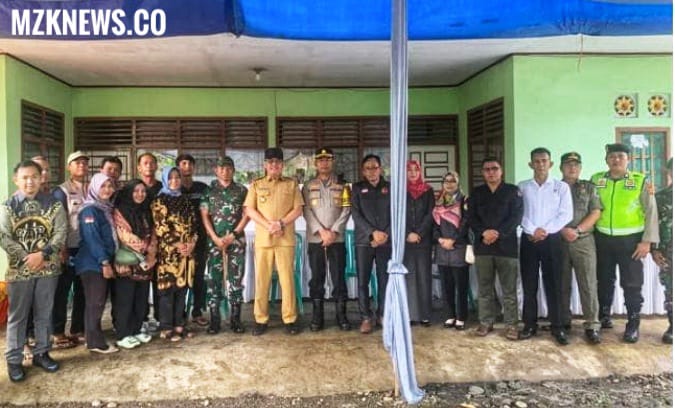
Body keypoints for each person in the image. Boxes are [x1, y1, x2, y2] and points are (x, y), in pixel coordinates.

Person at [0, 160, 67, 382]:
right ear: (16, 180)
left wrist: (43, 254)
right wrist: (27, 258)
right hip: (19, 271)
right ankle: (14, 360)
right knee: (17, 317)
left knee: (44, 313)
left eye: (34, 177)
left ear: (41, 178)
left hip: (48, 268)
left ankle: (42, 353)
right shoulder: (7, 207)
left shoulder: (54, 204)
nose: (30, 181)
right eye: (25, 177)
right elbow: (4, 237)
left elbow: (61, 232)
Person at [591, 143, 659, 343]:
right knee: (603, 280)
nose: (616, 160)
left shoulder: (639, 181)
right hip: (603, 239)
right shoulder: (597, 180)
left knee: (632, 284)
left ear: (628, 160)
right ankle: (604, 316)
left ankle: (633, 323)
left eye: (621, 156)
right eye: (612, 156)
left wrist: (647, 241)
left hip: (631, 241)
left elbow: (651, 211)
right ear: (606, 160)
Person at [244, 147, 304, 336]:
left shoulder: (291, 184)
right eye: (270, 162)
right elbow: (249, 210)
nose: (274, 165)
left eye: (277, 162)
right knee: (262, 281)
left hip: (285, 239)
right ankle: (260, 319)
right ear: (265, 165)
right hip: (264, 240)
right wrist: (268, 225)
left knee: (287, 281)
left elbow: (298, 209)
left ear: (282, 165)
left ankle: (290, 319)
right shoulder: (256, 185)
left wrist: (280, 223)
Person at [518, 147, 573, 345]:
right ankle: (529, 325)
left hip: (553, 240)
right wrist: (533, 230)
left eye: (544, 161)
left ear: (551, 164)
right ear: (530, 164)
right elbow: (519, 213)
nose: (540, 164)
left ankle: (557, 326)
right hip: (529, 239)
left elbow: (566, 214)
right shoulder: (522, 187)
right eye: (537, 161)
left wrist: (545, 231)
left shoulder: (561, 187)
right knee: (529, 284)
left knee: (554, 284)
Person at [467, 157, 523, 340]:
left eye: (494, 168)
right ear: (482, 173)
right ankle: (485, 322)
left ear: (501, 171)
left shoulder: (512, 191)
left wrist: (498, 233)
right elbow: (471, 217)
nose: (491, 172)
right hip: (483, 247)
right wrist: (484, 232)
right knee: (484, 289)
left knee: (509, 289)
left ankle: (511, 324)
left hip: (507, 247)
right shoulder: (477, 193)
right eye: (487, 169)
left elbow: (516, 217)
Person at [302, 148, 352, 331]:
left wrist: (334, 232)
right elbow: (306, 210)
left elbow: (347, 209)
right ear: (316, 163)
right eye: (321, 160)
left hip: (336, 239)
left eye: (328, 160)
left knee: (339, 277)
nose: (324, 163)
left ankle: (341, 315)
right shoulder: (308, 186)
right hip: (316, 239)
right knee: (317, 278)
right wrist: (321, 231)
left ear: (333, 162)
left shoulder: (343, 185)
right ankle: (317, 316)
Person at [200, 156, 249, 334]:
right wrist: (214, 237)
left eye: (228, 168)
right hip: (215, 242)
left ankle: (235, 319)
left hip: (236, 241)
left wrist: (233, 234)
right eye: (221, 168)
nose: (225, 171)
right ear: (216, 170)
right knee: (214, 280)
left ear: (233, 170)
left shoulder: (242, 190)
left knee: (236, 279)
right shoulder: (208, 191)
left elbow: (247, 214)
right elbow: (205, 216)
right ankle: (215, 320)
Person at [558, 152, 603, 344]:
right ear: (561, 168)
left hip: (583, 240)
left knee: (588, 284)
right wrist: (562, 230)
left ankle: (592, 325)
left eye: (576, 165)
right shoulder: (554, 188)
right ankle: (562, 322)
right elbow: (547, 213)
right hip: (559, 240)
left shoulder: (589, 187)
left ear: (581, 167)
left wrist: (577, 230)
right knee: (561, 284)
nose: (572, 168)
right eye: (568, 164)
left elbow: (595, 212)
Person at [151, 167, 198, 341]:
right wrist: (179, 245)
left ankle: (179, 324)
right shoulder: (159, 201)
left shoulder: (185, 200)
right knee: (167, 290)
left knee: (182, 289)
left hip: (186, 253)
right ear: (165, 180)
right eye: (170, 178)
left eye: (177, 177)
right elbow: (161, 227)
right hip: (168, 254)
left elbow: (194, 225)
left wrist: (191, 244)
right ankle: (166, 327)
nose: (174, 181)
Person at [73, 173, 119, 354]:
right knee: (96, 303)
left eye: (110, 186)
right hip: (92, 264)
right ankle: (95, 343)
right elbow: (92, 239)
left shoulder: (105, 209)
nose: (107, 190)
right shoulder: (89, 210)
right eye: (103, 186)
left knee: (95, 302)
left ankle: (91, 338)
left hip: (99, 262)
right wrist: (104, 263)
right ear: (94, 188)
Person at [112, 180, 157, 349]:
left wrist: (152, 252)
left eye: (143, 191)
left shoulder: (147, 210)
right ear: (129, 192)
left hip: (145, 263)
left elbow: (154, 232)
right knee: (125, 299)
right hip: (128, 261)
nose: (140, 194)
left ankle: (137, 330)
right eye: (136, 191)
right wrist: (144, 248)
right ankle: (123, 334)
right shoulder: (120, 210)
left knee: (141, 298)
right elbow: (124, 234)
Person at [52, 151, 89, 349]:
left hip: (87, 248)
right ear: (69, 167)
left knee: (82, 289)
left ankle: (77, 329)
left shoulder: (91, 188)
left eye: (84, 162)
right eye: (77, 162)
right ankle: (58, 331)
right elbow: (59, 222)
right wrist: (62, 248)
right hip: (69, 248)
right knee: (62, 290)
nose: (81, 165)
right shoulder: (61, 191)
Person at [351, 154, 391, 334]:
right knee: (363, 281)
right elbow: (356, 214)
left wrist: (384, 234)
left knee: (384, 279)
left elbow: (396, 212)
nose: (372, 171)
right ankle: (365, 317)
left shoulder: (389, 188)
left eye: (375, 167)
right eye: (368, 168)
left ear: (380, 169)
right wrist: (372, 233)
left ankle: (382, 314)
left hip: (385, 241)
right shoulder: (357, 188)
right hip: (364, 241)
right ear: (363, 171)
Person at [176, 153, 210, 327]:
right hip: (180, 243)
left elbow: (209, 212)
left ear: (194, 167)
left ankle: (197, 312)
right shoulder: (174, 189)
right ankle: (179, 314)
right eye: (183, 164)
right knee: (181, 277)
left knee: (198, 277)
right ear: (178, 167)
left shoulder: (202, 188)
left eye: (190, 164)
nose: (187, 167)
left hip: (200, 240)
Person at [433, 171, 470, 330]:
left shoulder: (464, 200)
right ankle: (449, 315)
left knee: (460, 285)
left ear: (458, 183)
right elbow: (434, 225)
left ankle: (461, 317)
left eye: (452, 181)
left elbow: (466, 223)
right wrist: (440, 239)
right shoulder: (438, 202)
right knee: (446, 285)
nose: (449, 184)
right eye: (446, 181)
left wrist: (453, 240)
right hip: (442, 248)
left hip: (458, 247)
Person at [404, 160, 435, 326]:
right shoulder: (400, 190)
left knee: (423, 276)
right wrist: (408, 233)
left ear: (420, 171)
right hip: (406, 240)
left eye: (416, 170)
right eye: (409, 170)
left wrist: (419, 233)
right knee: (409, 275)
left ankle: (424, 314)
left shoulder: (427, 190)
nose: (413, 173)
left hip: (423, 240)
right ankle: (410, 314)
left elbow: (431, 214)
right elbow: (397, 213)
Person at [136, 152, 162, 327]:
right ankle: (142, 318)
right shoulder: (134, 187)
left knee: (160, 281)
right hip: (140, 243)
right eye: (145, 163)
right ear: (139, 167)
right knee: (141, 283)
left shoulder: (162, 187)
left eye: (152, 163)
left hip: (161, 241)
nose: (149, 166)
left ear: (156, 166)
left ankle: (161, 318)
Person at [652, 157, 673, 344]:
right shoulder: (660, 197)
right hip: (668, 251)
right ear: (669, 172)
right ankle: (673, 326)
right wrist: (655, 249)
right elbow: (654, 226)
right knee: (671, 289)